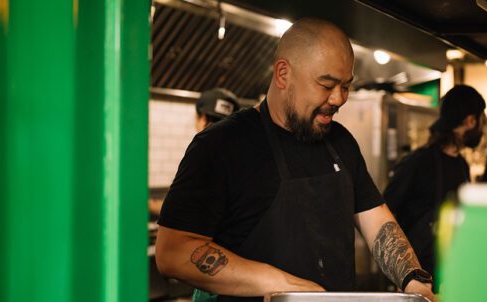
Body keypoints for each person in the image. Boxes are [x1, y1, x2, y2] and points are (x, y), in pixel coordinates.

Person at [155, 18, 435, 302]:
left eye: (346, 86)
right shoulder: (222, 145)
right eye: (326, 84)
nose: (339, 98)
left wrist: (412, 278)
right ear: (283, 73)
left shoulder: (341, 142)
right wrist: (282, 285)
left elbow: (376, 221)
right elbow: (172, 252)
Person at [383, 85, 486, 275]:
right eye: (481, 121)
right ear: (471, 121)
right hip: (418, 275)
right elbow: (385, 214)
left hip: (451, 270)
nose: (482, 128)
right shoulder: (417, 162)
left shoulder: (462, 165)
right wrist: (401, 271)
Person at [148, 88, 241, 218]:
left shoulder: (201, 157)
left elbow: (180, 209)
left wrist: (146, 204)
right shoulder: (239, 160)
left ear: (201, 118)